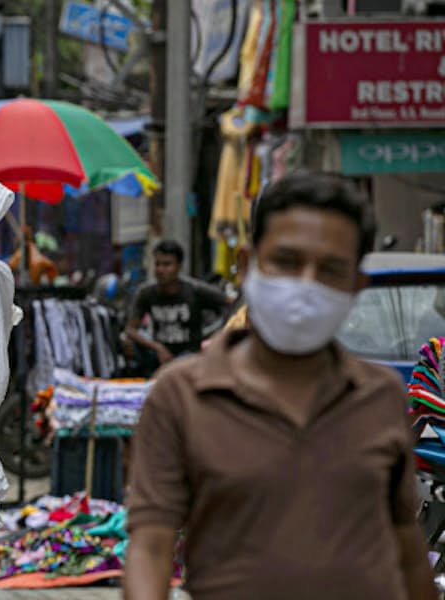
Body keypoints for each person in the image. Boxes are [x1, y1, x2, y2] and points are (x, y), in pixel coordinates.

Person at [124, 172, 436, 600]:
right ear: (248, 265)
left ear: (355, 285)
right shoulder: (181, 396)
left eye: (329, 269)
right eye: (287, 262)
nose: (306, 285)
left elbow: (407, 550)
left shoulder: (380, 397)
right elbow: (150, 546)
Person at [123, 240, 231, 369]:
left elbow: (229, 303)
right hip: (158, 356)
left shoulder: (195, 290)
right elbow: (130, 329)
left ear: (179, 267)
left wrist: (215, 336)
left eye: (167, 265)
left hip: (190, 356)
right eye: (157, 264)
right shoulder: (146, 293)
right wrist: (157, 347)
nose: (161, 270)